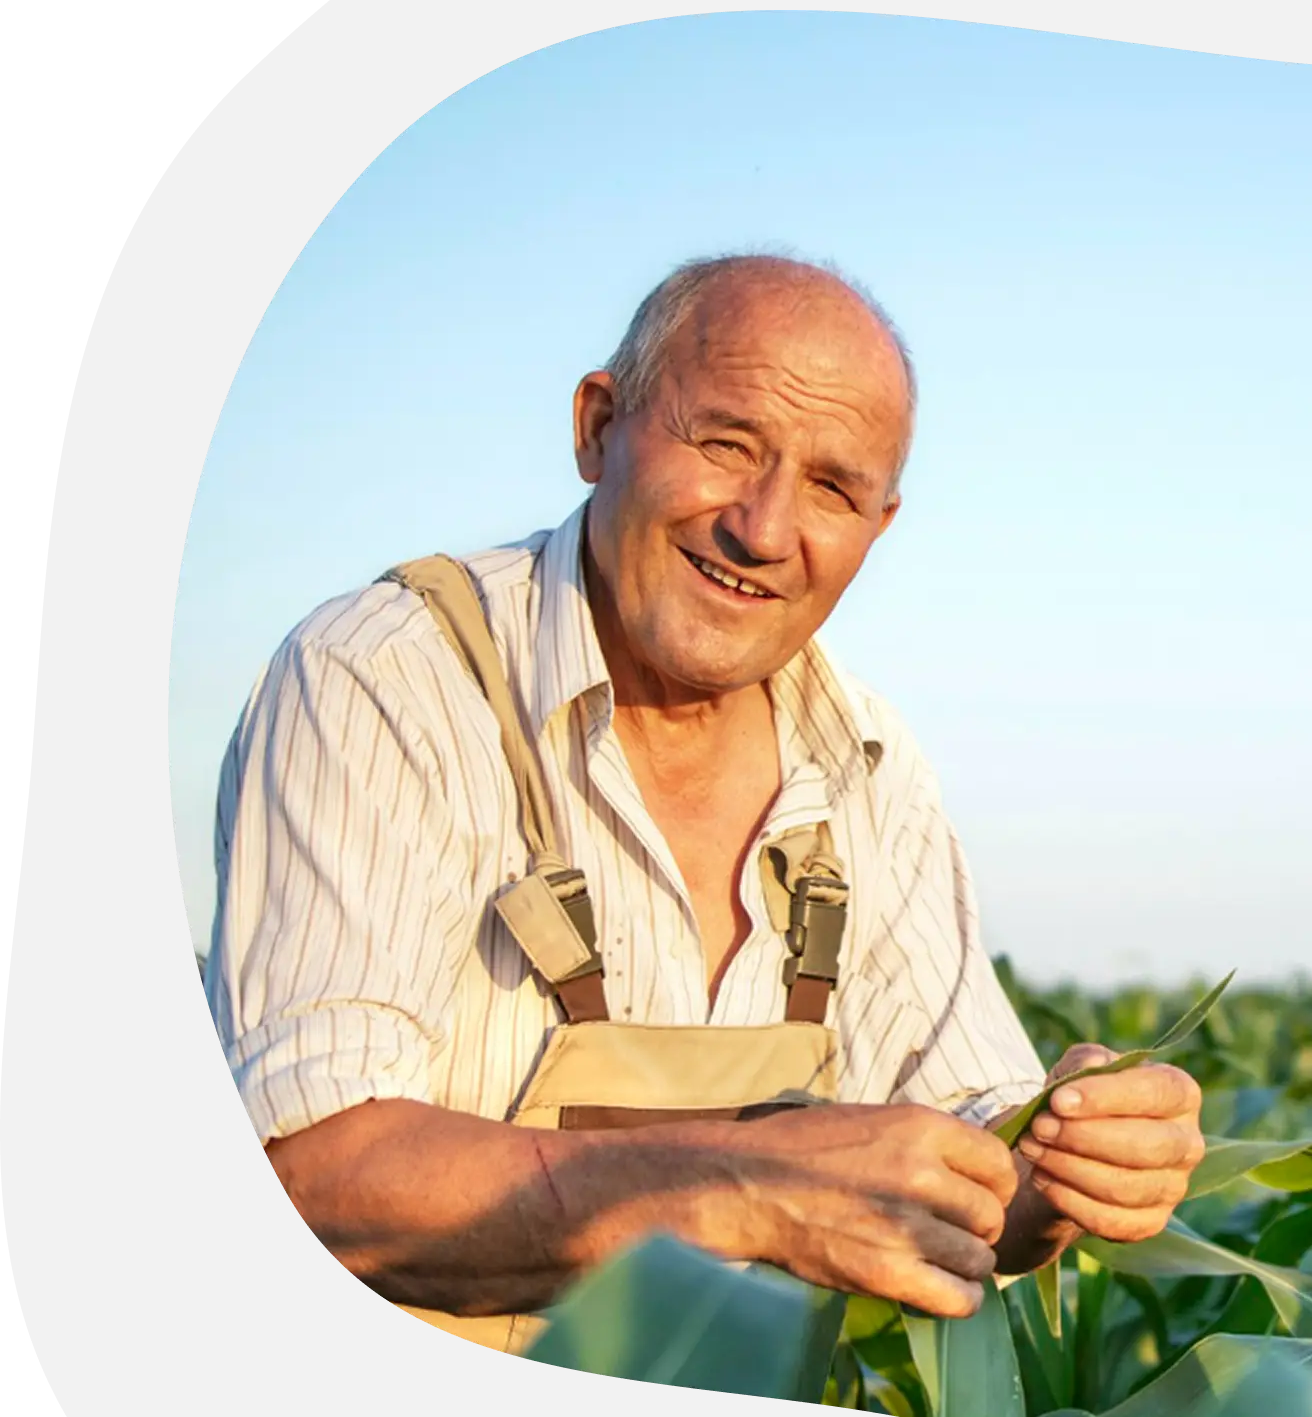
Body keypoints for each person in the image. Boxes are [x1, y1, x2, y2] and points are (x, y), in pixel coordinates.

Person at [205, 251, 1207, 1353]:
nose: (764, 530)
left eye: (832, 489)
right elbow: (313, 1173)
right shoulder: (391, 678)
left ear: (879, 526)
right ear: (598, 428)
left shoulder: (865, 763)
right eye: (726, 444)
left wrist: (1063, 1163)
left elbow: (977, 1173)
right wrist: (741, 1189)